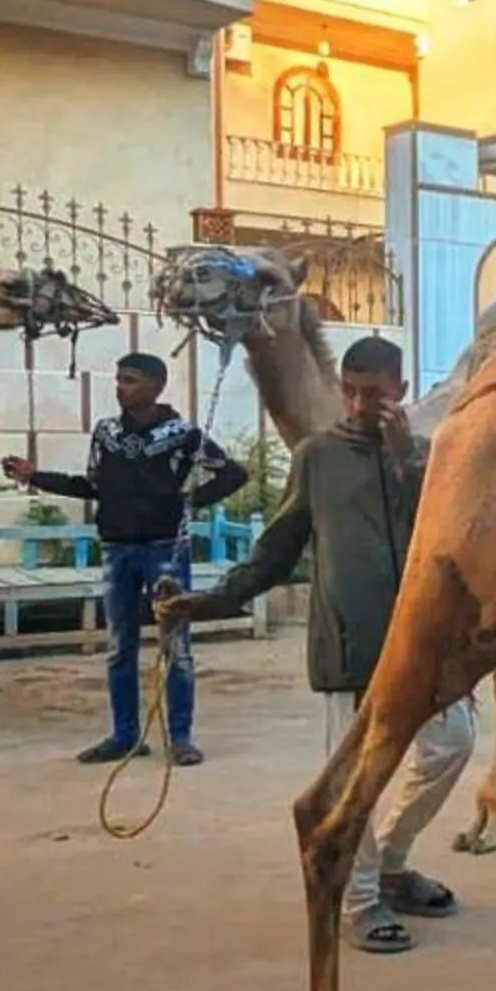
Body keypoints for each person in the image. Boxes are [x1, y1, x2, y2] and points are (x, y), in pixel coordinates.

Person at [156, 336, 473, 954]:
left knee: (452, 746)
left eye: (374, 394)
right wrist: (212, 602)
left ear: (400, 392)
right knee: (353, 779)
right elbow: (276, 550)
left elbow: (445, 533)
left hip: (426, 641)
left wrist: (404, 457)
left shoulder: (427, 458)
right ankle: (360, 901)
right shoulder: (317, 457)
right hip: (349, 645)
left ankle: (393, 863)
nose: (359, 404)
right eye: (350, 392)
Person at [0, 353, 245, 768]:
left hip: (166, 549)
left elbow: (233, 474)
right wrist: (34, 476)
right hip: (118, 548)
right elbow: (93, 486)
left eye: (129, 380)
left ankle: (181, 739)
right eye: (118, 380)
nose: (120, 387)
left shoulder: (183, 435)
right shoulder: (106, 433)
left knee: (176, 647)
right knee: (119, 647)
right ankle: (124, 735)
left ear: (155, 386)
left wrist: (185, 504)